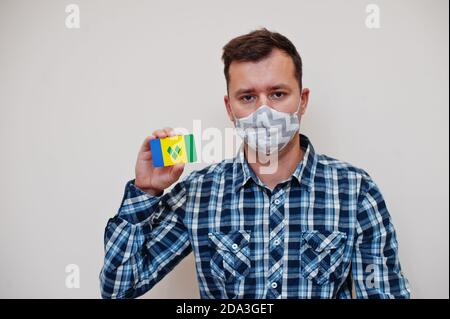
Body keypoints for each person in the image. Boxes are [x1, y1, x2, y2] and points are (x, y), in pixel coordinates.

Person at [99, 28, 410, 299]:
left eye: (277, 94)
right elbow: (118, 288)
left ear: (302, 100)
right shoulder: (199, 193)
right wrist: (146, 192)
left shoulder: (355, 190)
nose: (264, 112)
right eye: (247, 97)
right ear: (229, 107)